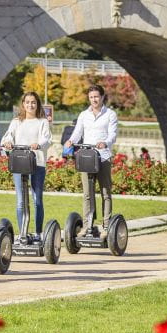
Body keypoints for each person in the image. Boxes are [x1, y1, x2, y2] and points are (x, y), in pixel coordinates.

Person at [64, 84, 118, 240]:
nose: (94, 99)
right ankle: (88, 226)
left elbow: (113, 135)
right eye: (91, 97)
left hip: (103, 156)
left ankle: (107, 226)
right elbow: (77, 133)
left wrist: (105, 142)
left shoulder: (110, 114)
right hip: (87, 157)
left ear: (102, 97)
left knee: (105, 192)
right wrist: (70, 141)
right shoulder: (83, 115)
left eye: (96, 96)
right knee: (87, 194)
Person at [2, 92, 52, 242]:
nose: (30, 105)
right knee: (20, 200)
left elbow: (47, 139)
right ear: (23, 104)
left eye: (33, 102)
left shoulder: (42, 121)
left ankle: (38, 233)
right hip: (19, 164)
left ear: (37, 104)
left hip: (37, 163)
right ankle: (22, 233)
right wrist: (8, 142)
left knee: (37, 199)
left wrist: (39, 144)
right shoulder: (17, 121)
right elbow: (7, 136)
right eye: (27, 102)